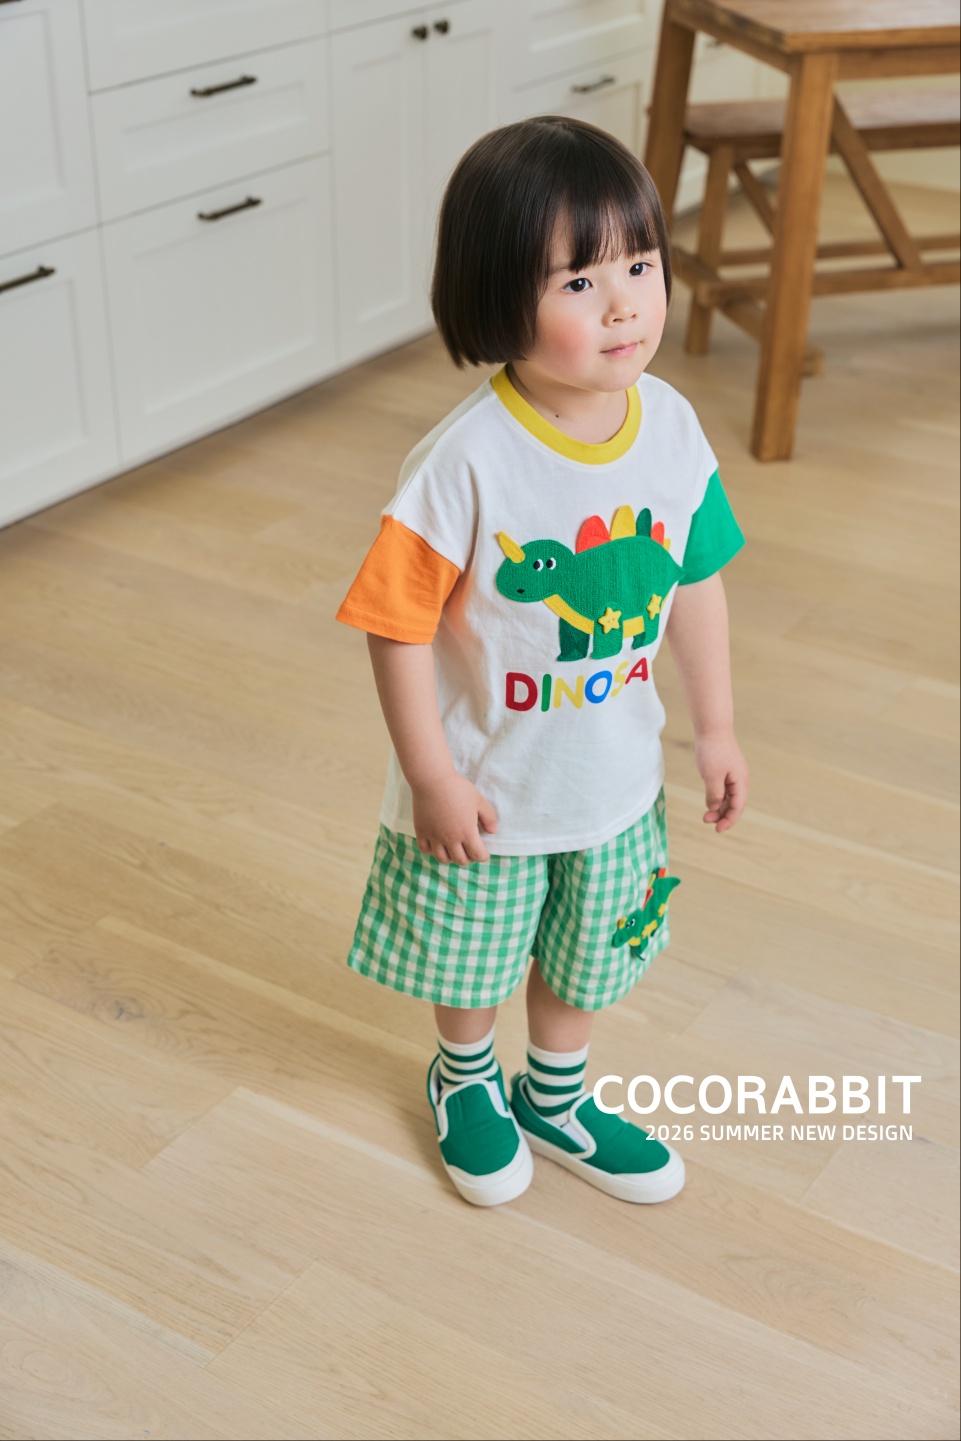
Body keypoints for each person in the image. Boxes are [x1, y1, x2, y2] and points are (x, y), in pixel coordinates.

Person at [335, 116, 748, 1208]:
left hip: (612, 782)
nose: (624, 305)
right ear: (496, 296)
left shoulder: (671, 428)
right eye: (578, 281)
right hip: (488, 787)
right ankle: (464, 1074)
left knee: (587, 954)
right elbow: (394, 623)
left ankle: (555, 1096)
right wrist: (429, 775)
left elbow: (693, 579)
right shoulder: (463, 462)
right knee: (473, 956)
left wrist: (714, 727)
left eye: (639, 266)